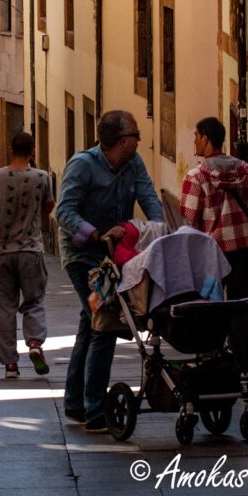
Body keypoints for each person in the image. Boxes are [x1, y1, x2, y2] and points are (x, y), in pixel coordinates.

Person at [55, 110, 164, 433]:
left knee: (90, 325)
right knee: (105, 321)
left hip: (114, 253)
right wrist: (94, 234)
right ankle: (94, 412)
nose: (139, 141)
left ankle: (75, 403)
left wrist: (159, 232)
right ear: (120, 141)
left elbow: (149, 198)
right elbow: (64, 211)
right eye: (135, 136)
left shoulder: (134, 164)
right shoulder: (83, 165)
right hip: (83, 254)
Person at [179, 116, 248, 373]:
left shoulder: (196, 177)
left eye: (196, 137)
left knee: (207, 309)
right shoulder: (245, 171)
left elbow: (189, 222)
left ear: (205, 138)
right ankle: (243, 367)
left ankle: (211, 364)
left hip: (210, 255)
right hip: (243, 251)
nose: (194, 142)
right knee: (242, 309)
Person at [0, 131, 55, 380]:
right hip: (31, 251)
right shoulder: (41, 177)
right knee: (34, 300)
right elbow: (48, 207)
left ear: (10, 149)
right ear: (32, 151)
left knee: (1, 307)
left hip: (2, 253)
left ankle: (10, 364)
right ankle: (35, 344)